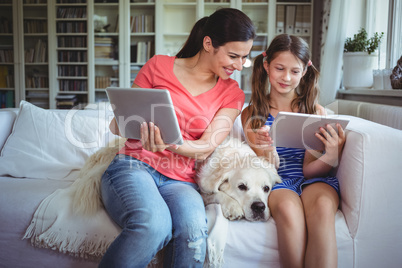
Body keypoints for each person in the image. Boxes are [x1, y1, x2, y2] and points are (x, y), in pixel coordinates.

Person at [99, 8, 255, 268]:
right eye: (233, 56)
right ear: (208, 44)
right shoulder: (157, 65)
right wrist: (133, 125)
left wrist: (169, 142)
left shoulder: (232, 93)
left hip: (181, 181)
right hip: (134, 166)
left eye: (244, 58)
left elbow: (206, 147)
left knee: (193, 234)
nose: (239, 66)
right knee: (153, 226)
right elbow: (117, 125)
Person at [241, 34, 346, 268]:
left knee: (321, 206)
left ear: (305, 71)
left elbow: (310, 171)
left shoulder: (314, 111)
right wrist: (268, 151)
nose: (286, 78)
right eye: (279, 68)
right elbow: (268, 171)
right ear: (266, 66)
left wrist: (331, 155)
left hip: (315, 180)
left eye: (294, 71)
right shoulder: (251, 114)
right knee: (288, 209)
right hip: (278, 181)